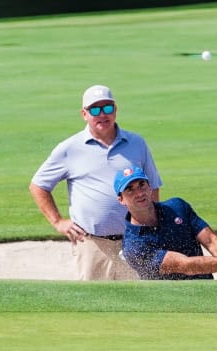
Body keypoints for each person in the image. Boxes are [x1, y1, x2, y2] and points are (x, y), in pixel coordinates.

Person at [29, 84, 163, 280]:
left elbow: (153, 186)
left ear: (115, 110)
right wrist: (58, 222)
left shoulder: (136, 143)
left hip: (136, 242)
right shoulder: (70, 148)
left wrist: (153, 226)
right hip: (92, 245)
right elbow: (38, 185)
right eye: (95, 110)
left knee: (141, 304)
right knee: (94, 306)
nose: (103, 115)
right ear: (84, 114)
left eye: (108, 108)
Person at [114, 165, 217, 280]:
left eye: (142, 185)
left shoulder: (177, 207)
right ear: (121, 200)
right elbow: (186, 266)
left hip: (208, 292)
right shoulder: (134, 245)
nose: (139, 193)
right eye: (130, 190)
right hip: (170, 307)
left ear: (150, 187)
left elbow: (210, 240)